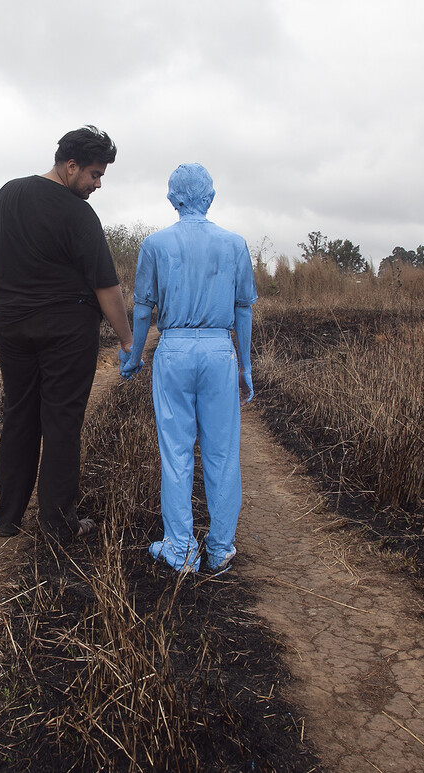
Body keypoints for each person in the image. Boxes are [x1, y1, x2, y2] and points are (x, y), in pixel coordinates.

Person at [0, 125, 135, 544]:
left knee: (19, 415)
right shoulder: (77, 213)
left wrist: (1, 308)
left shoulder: (6, 195)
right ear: (71, 167)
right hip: (66, 333)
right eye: (94, 174)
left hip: (11, 326)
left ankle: (8, 518)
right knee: (62, 420)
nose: (97, 184)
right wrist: (127, 339)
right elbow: (107, 286)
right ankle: (58, 521)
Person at [120, 163, 256, 573]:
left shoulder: (155, 245)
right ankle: (219, 548)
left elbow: (143, 309)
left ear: (173, 199)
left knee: (176, 451)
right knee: (222, 453)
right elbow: (243, 309)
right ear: (209, 198)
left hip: (174, 350)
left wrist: (134, 355)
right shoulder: (235, 244)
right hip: (219, 350)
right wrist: (245, 366)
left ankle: (180, 548)